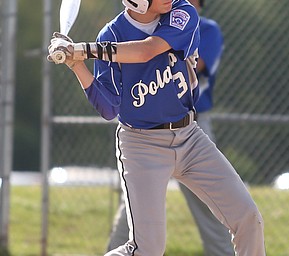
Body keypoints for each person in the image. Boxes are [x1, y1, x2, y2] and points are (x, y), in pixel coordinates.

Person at [47, 0, 266, 255]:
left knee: (248, 218)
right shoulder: (112, 34)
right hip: (141, 145)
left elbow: (146, 51)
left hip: (190, 137)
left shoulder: (182, 12)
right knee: (147, 249)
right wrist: (76, 63)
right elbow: (108, 109)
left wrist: (82, 50)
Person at [106, 0, 235, 255]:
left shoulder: (206, 28)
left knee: (207, 205)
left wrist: (154, 46)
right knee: (134, 210)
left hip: (193, 126)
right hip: (146, 131)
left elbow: (180, 60)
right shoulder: (147, 25)